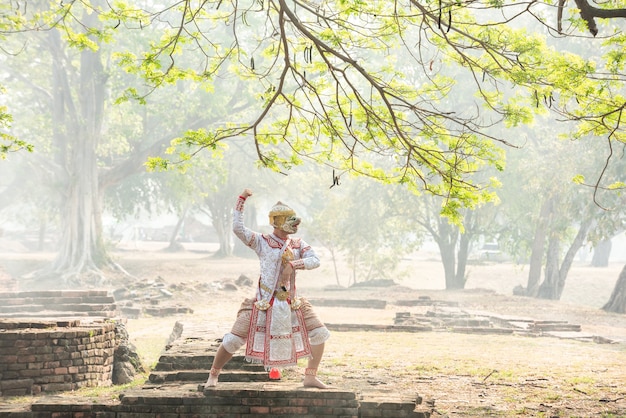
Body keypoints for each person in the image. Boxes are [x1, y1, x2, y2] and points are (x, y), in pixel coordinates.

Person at [205, 188, 330, 389]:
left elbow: (315, 260)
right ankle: (213, 374)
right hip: (264, 302)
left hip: (291, 302)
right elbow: (238, 228)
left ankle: (310, 376)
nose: (295, 225)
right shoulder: (262, 242)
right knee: (234, 339)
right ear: (278, 222)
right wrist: (241, 200)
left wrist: (292, 266)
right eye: (290, 221)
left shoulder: (298, 244)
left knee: (319, 333)